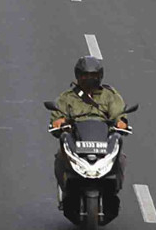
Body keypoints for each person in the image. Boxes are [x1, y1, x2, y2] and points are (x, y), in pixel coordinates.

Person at [50, 57, 129, 214]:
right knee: (60, 157)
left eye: (93, 75)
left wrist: (121, 122)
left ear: (100, 76)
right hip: (77, 139)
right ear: (78, 76)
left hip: (102, 139)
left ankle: (113, 189)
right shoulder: (67, 97)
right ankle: (65, 190)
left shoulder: (110, 95)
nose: (89, 79)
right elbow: (56, 117)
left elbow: (119, 115)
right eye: (85, 75)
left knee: (120, 158)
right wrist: (58, 123)